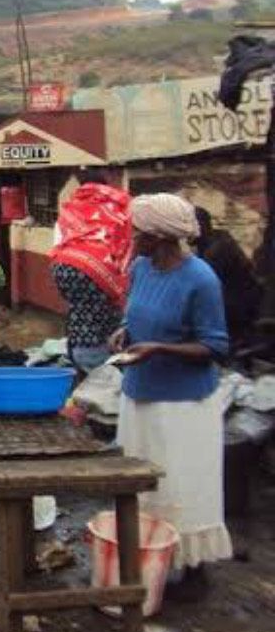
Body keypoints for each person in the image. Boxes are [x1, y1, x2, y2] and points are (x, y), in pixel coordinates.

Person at [109, 193, 231, 601]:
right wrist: (125, 332)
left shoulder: (201, 279)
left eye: (138, 231)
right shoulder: (141, 268)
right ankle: (150, 559)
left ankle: (194, 571)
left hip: (183, 407)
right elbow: (137, 314)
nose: (132, 236)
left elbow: (215, 347)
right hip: (140, 396)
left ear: (159, 236)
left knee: (182, 486)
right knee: (143, 485)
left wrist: (159, 348)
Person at [50, 173, 132, 372]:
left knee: (78, 310)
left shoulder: (70, 208)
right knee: (107, 313)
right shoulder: (116, 206)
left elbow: (58, 242)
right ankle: (100, 364)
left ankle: (79, 357)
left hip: (64, 266)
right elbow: (125, 242)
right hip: (100, 270)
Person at [195, 207, 262, 346]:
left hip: (239, 311)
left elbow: (203, 289)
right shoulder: (214, 240)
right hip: (237, 307)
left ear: (200, 226)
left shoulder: (217, 249)